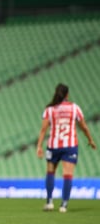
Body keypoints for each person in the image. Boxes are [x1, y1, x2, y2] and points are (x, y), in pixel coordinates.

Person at [36, 83, 96, 212]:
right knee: (68, 174)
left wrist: (39, 146)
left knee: (50, 172)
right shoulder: (75, 108)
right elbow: (84, 126)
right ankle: (63, 205)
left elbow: (43, 130)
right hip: (70, 145)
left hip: (53, 145)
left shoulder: (49, 110)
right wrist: (90, 139)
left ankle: (50, 202)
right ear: (67, 94)